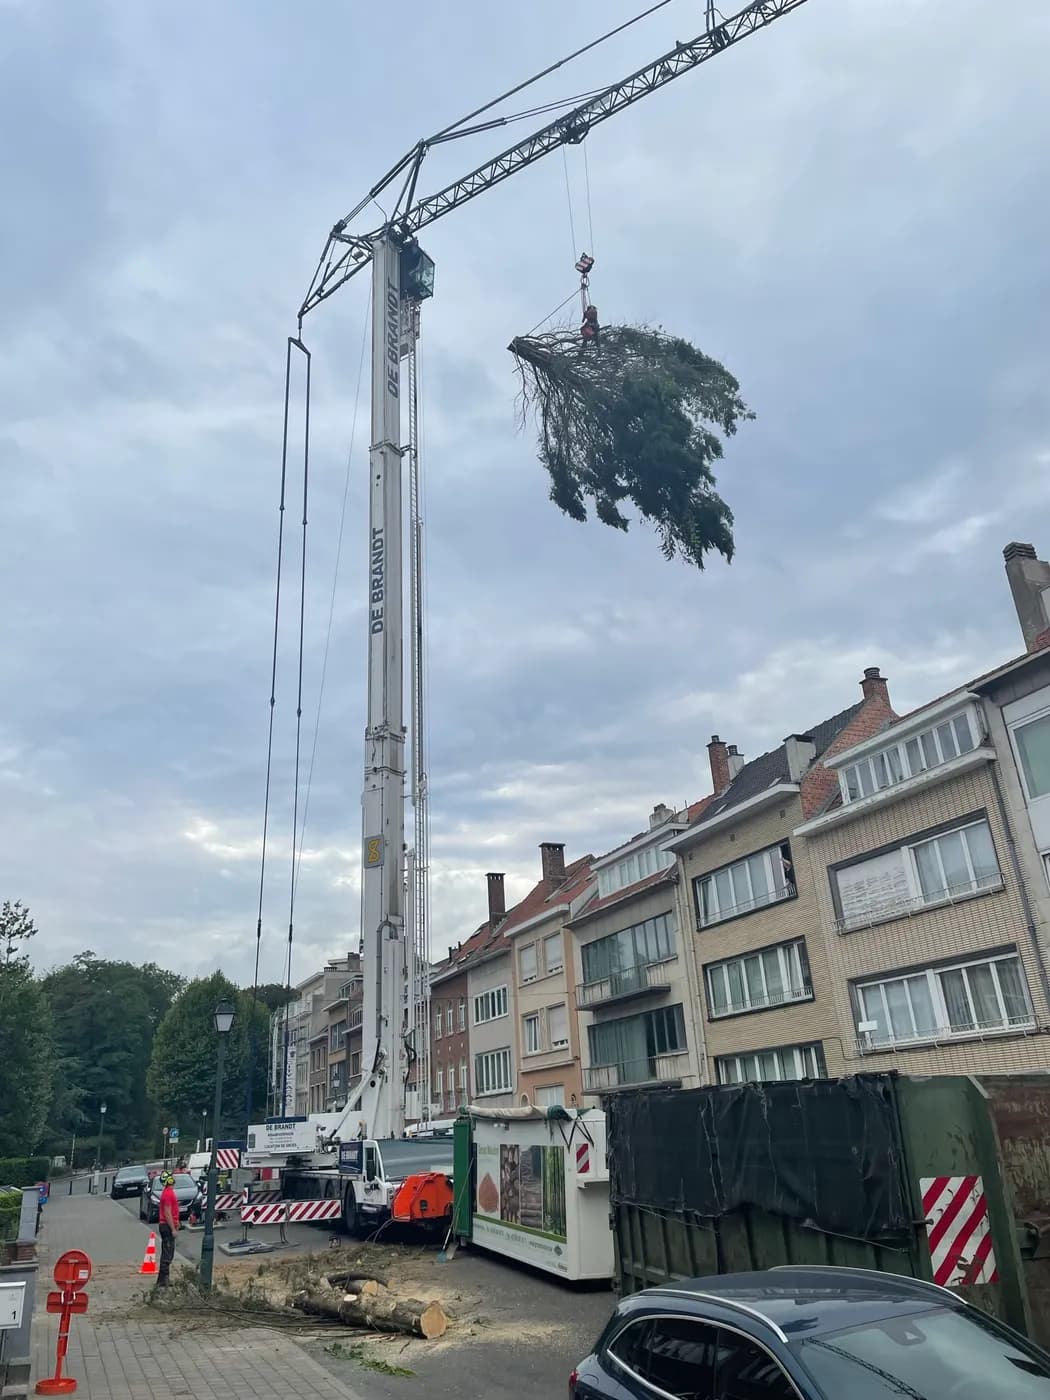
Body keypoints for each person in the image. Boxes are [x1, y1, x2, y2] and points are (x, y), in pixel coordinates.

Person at [156, 1172, 179, 1287]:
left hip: (166, 1225)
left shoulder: (167, 1193)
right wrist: (173, 1229)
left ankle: (163, 1279)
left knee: (167, 1253)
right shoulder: (168, 1194)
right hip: (166, 1226)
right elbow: (167, 1212)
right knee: (168, 1254)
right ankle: (163, 1281)